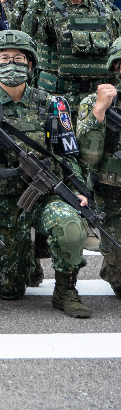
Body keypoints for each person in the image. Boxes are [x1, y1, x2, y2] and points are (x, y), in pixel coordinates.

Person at [0, 29, 93, 317]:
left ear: (30, 64)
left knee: (70, 224)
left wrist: (78, 188)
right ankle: (24, 260)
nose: (11, 64)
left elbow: (69, 151)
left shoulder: (52, 103)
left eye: (18, 58)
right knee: (9, 290)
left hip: (44, 196)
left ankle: (66, 291)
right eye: (3, 59)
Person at [21, 0, 121, 114]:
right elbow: (28, 36)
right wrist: (35, 0)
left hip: (96, 98)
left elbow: (114, 53)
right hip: (58, 97)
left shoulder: (103, 9)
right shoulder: (47, 8)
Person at [76, 36, 121, 295]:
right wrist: (99, 113)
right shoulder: (93, 102)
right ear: (116, 68)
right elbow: (89, 155)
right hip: (111, 194)